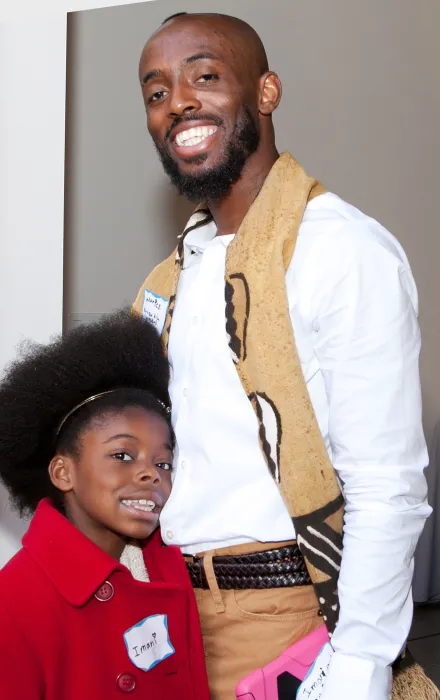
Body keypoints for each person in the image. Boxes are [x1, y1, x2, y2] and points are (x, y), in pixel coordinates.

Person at [133, 11, 437, 700]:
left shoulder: (341, 250)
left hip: (287, 620)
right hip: (170, 617)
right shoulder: (172, 278)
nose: (178, 101)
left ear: (267, 92)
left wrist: (360, 660)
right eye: (156, 92)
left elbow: (387, 484)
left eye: (204, 76)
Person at [0, 310, 209, 700]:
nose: (152, 474)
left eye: (163, 462)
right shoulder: (14, 602)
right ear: (63, 473)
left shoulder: (174, 567)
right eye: (123, 456)